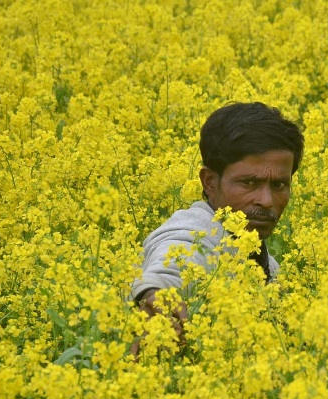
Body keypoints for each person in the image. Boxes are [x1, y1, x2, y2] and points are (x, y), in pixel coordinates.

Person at [130, 102, 304, 345]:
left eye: (279, 185)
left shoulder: (268, 265)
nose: (266, 201)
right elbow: (171, 262)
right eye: (249, 183)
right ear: (210, 182)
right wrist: (153, 293)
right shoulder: (196, 235)